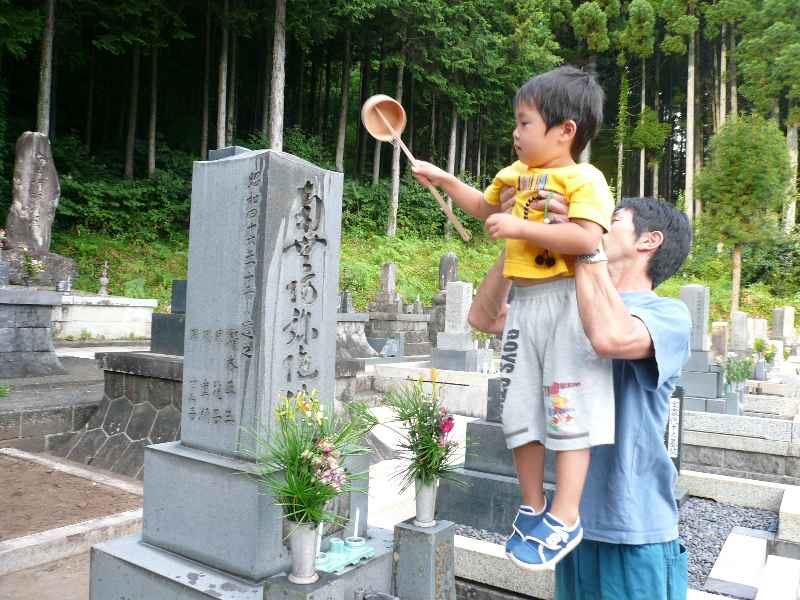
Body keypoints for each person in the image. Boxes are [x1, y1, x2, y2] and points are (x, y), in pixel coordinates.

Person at [413, 65, 614, 570]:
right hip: (523, 306)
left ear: (564, 130)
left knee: (568, 406)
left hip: (567, 303)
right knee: (519, 409)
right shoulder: (514, 175)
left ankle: (566, 515)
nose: (516, 133)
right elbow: (484, 208)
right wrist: (445, 180)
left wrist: (522, 227)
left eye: (525, 123)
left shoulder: (585, 178)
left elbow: (587, 238)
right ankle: (533, 505)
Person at [469, 193, 692, 600]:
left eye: (611, 218)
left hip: (634, 528)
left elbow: (610, 337)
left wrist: (585, 245)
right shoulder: (565, 303)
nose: (594, 222)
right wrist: (519, 243)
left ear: (650, 240)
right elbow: (485, 317)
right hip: (568, 529)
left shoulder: (669, 315)